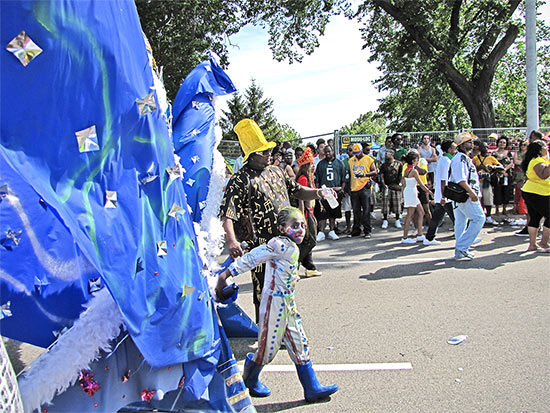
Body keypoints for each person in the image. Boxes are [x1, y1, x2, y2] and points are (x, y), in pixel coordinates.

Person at [215, 207, 339, 402]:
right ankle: (250, 378)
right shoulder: (278, 244)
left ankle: (311, 387)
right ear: (281, 228)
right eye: (294, 226)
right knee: (267, 350)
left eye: (303, 226)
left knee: (300, 344)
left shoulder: (292, 246)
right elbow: (251, 258)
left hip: (288, 303)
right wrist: (226, 274)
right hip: (274, 304)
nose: (300, 230)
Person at [220, 119, 328, 321]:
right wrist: (231, 241)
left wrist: (320, 192)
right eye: (264, 152)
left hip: (285, 244)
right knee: (264, 289)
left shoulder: (276, 172)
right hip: (261, 246)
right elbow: (228, 213)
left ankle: (284, 326)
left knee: (286, 286)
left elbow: (298, 191)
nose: (271, 154)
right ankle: (266, 331)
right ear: (251, 156)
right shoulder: (240, 179)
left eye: (270, 150)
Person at [449, 132, 486, 260]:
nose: (472, 144)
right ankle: (462, 246)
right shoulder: (460, 159)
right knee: (479, 218)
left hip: (462, 195)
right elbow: (460, 179)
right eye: (469, 142)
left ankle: (460, 250)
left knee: (461, 223)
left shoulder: (463, 158)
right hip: (465, 195)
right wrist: (471, 192)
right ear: (462, 144)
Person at [295, 147, 322, 277]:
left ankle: (310, 267)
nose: (314, 166)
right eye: (311, 164)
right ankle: (294, 266)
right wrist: (302, 218)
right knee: (311, 240)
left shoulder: (309, 177)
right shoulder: (303, 179)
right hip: (305, 213)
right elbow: (301, 198)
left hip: (310, 210)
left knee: (307, 241)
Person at [424, 140, 457, 245]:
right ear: (449, 149)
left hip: (442, 195)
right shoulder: (446, 161)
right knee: (456, 217)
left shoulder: (444, 159)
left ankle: (429, 238)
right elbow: (444, 179)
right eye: (454, 148)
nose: (455, 150)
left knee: (437, 217)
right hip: (445, 195)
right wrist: (444, 195)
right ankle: (463, 235)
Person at [520, 140, 550, 252]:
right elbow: (543, 175)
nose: (547, 149)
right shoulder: (537, 161)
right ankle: (544, 243)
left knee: (535, 218)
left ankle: (532, 245)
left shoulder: (532, 160)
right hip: (539, 193)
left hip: (532, 191)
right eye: (545, 147)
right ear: (540, 149)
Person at [314, 145, 346, 241]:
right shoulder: (320, 164)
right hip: (324, 191)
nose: (327, 153)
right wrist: (318, 191)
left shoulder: (340, 163)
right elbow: (317, 180)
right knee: (323, 212)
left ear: (333, 151)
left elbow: (344, 179)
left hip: (336, 191)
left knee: (333, 212)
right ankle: (321, 232)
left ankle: (332, 231)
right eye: (326, 152)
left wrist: (342, 190)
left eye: (329, 151)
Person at [401, 151, 432, 244]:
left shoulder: (407, 169)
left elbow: (403, 183)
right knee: (410, 215)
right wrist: (429, 191)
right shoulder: (414, 171)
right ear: (414, 161)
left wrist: (403, 195)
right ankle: (405, 237)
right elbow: (421, 184)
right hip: (412, 192)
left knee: (421, 212)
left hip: (410, 192)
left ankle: (420, 234)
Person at [348, 143, 377, 238]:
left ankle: (367, 230)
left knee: (366, 210)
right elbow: (349, 173)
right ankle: (356, 230)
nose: (357, 154)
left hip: (365, 187)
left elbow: (374, 171)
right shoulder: (351, 160)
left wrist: (364, 175)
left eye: (358, 152)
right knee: (356, 211)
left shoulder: (369, 159)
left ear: (362, 150)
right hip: (354, 188)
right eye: (355, 153)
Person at [472, 142, 503, 225]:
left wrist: (492, 167)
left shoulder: (491, 158)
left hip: (487, 181)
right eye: (482, 147)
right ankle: (480, 216)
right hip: (478, 181)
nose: (484, 149)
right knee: (479, 199)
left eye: (486, 147)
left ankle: (488, 216)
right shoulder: (475, 158)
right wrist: (479, 167)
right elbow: (471, 167)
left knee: (488, 198)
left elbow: (501, 167)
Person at [379, 149, 403, 229]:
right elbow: (381, 175)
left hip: (396, 186)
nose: (386, 155)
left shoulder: (399, 164)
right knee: (385, 204)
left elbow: (401, 175)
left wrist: (400, 184)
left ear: (392, 154)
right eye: (385, 153)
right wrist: (383, 184)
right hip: (387, 186)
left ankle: (397, 219)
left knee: (397, 204)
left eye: (387, 153)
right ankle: (385, 220)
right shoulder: (383, 165)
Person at [493, 136, 514, 217]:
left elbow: (511, 163)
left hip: (507, 175)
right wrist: (501, 171)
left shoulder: (508, 153)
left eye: (504, 142)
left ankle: (504, 209)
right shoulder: (494, 153)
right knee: (497, 192)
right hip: (497, 175)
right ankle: (497, 209)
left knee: (506, 192)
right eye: (500, 142)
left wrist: (505, 169)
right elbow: (493, 163)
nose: (502, 144)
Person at [341, 145, 354, 234]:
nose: (350, 152)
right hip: (347, 188)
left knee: (357, 209)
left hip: (357, 188)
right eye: (348, 150)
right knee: (347, 209)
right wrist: (345, 188)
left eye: (352, 150)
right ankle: (348, 226)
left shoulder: (358, 161)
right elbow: (344, 176)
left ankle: (358, 226)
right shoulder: (343, 162)